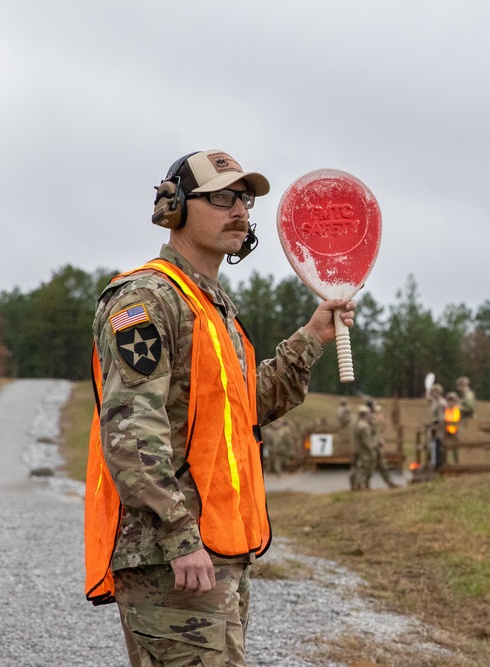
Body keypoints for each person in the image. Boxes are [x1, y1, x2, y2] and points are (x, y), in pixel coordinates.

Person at [83, 149, 356, 666]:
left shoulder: (209, 305)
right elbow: (131, 437)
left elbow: (242, 409)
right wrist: (179, 537)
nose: (241, 212)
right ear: (175, 208)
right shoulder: (145, 299)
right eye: (223, 198)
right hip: (175, 556)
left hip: (219, 550)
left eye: (246, 200)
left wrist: (311, 338)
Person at [370, 402, 399, 488]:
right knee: (368, 466)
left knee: (383, 465)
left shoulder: (375, 418)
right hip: (372, 445)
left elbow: (378, 431)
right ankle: (363, 484)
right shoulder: (370, 419)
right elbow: (370, 434)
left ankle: (390, 482)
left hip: (377, 445)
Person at [349, 404, 376, 490]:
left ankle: (353, 483)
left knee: (355, 467)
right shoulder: (364, 426)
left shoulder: (354, 424)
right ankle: (360, 484)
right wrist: (371, 451)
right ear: (366, 414)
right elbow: (366, 441)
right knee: (363, 467)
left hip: (354, 448)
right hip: (363, 450)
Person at [426, 383, 446, 470]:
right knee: (432, 444)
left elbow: (444, 412)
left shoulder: (442, 402)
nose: (434, 394)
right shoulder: (434, 402)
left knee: (439, 443)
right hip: (434, 423)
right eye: (433, 392)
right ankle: (433, 463)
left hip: (440, 424)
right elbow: (429, 399)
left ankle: (439, 464)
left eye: (436, 392)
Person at [443, 391, 462, 464]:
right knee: (444, 446)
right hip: (446, 430)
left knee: (455, 448)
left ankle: (457, 462)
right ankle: (445, 462)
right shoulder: (445, 409)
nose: (451, 402)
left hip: (455, 430)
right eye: (449, 400)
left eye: (452, 401)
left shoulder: (457, 409)